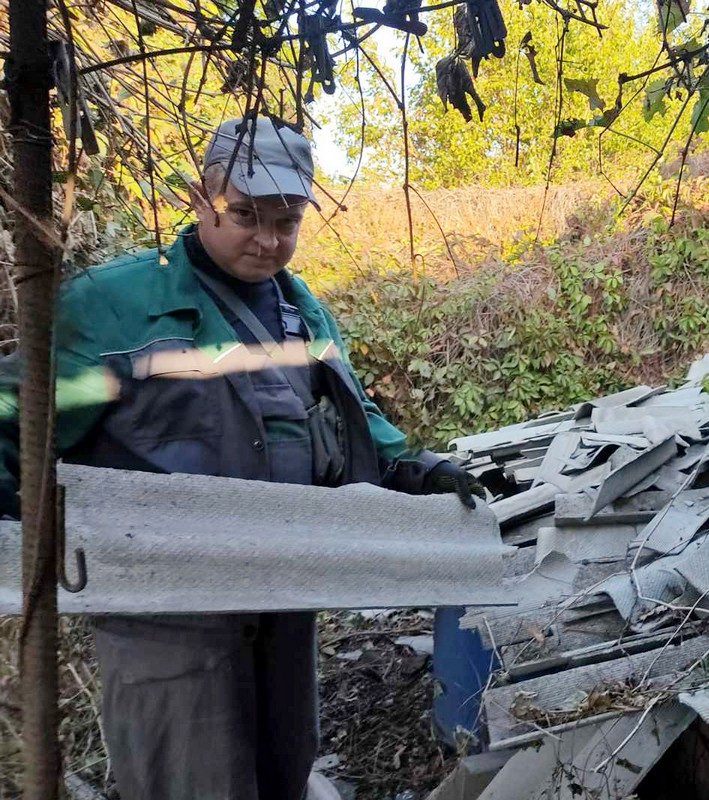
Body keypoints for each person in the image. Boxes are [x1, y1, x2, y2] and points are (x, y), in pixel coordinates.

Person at [0, 116, 483, 800]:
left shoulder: (299, 309)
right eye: (246, 214)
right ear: (200, 198)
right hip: (167, 610)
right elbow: (18, 417)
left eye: (286, 221)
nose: (267, 239)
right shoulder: (113, 305)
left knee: (282, 765)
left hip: (281, 595)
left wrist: (417, 467)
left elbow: (350, 419)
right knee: (192, 779)